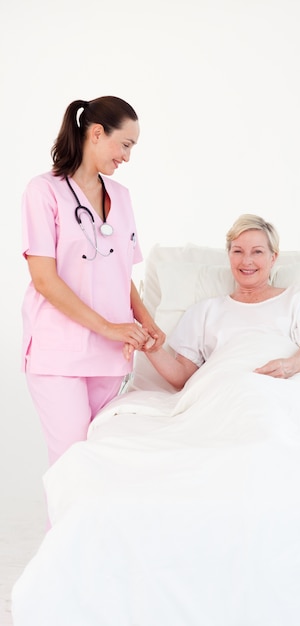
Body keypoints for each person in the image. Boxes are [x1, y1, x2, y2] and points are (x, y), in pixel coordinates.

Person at [21, 95, 165, 466]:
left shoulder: (121, 196)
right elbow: (44, 280)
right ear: (97, 133)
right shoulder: (44, 191)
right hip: (60, 351)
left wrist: (147, 322)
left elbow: (121, 273)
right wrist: (111, 328)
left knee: (99, 461)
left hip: (109, 356)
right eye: (126, 145)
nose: (127, 157)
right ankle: (62, 528)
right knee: (71, 460)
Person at [145, 214, 300, 389]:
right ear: (229, 255)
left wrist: (288, 366)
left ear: (273, 257)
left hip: (288, 388)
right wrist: (153, 349)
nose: (246, 261)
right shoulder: (204, 312)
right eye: (238, 251)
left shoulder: (298, 298)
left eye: (257, 252)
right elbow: (182, 377)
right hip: (227, 392)